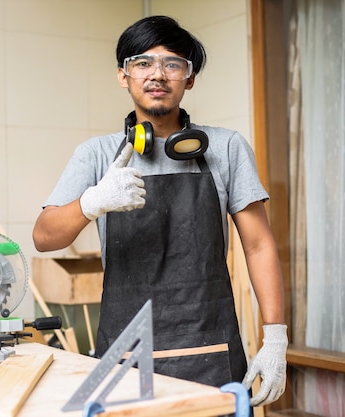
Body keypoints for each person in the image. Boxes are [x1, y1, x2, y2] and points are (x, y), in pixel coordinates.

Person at [33, 15, 287, 408]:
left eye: (173, 64)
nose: (158, 74)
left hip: (212, 354)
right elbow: (45, 237)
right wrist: (91, 203)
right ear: (123, 75)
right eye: (143, 63)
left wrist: (275, 340)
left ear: (189, 78)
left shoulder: (227, 148)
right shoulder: (97, 155)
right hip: (125, 357)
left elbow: (258, 246)